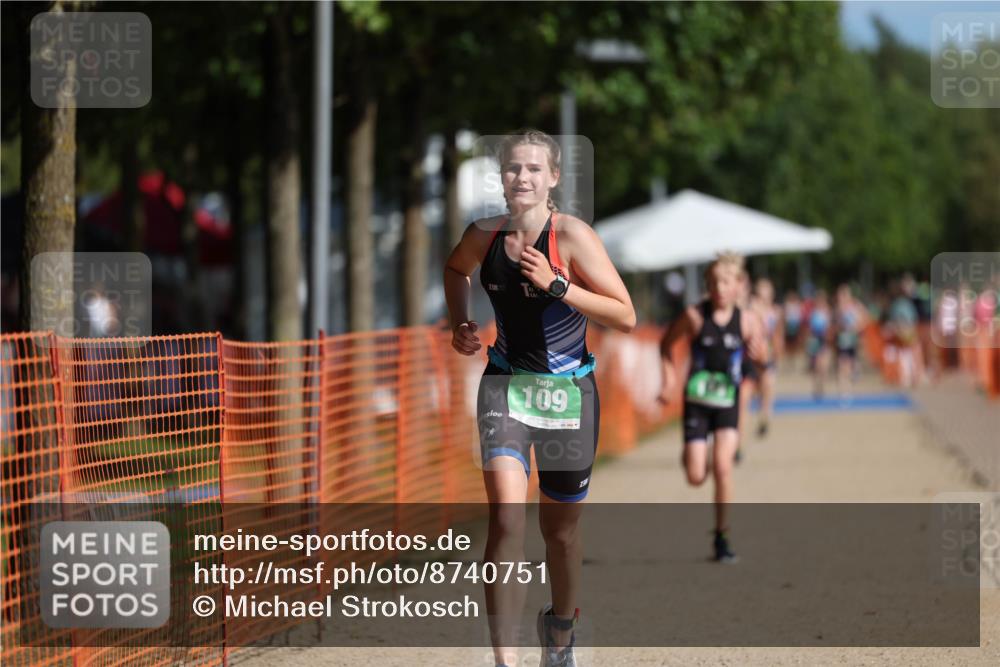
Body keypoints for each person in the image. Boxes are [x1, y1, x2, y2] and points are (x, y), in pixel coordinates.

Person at [444, 129, 635, 667]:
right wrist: (460, 320)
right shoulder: (483, 235)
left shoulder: (571, 237)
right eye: (512, 169)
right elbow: (455, 269)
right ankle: (505, 659)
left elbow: (625, 315)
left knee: (560, 531)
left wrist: (558, 286)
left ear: (553, 178)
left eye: (533, 169)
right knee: (506, 518)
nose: (521, 178)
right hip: (504, 385)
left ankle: (560, 633)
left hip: (569, 395)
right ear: (500, 178)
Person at [657, 252, 767, 562]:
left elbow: (764, 358)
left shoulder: (747, 321)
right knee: (695, 476)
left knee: (723, 466)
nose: (719, 287)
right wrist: (668, 381)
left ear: (738, 286)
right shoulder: (694, 316)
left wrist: (760, 357)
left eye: (726, 281)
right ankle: (693, 453)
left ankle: (722, 536)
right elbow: (666, 345)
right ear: (707, 284)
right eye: (714, 281)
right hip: (696, 404)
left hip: (726, 405)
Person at [749, 277, 781, 437]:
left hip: (767, 354)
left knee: (769, 385)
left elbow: (776, 333)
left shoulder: (775, 311)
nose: (765, 296)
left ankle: (765, 417)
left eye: (768, 292)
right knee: (756, 388)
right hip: (752, 353)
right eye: (762, 292)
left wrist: (777, 350)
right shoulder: (752, 308)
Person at [833, 284, 868, 401]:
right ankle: (844, 393)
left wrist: (857, 327)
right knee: (842, 366)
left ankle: (855, 371)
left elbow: (865, 319)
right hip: (843, 341)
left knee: (852, 365)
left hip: (855, 340)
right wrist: (841, 327)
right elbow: (836, 325)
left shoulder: (856, 306)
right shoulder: (838, 309)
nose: (841, 298)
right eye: (839, 296)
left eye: (843, 295)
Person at [806, 290, 833, 399]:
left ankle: (821, 386)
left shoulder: (828, 312)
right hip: (815, 341)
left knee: (824, 366)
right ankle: (815, 387)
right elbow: (809, 328)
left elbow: (830, 328)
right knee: (816, 366)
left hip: (825, 341)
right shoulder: (813, 313)